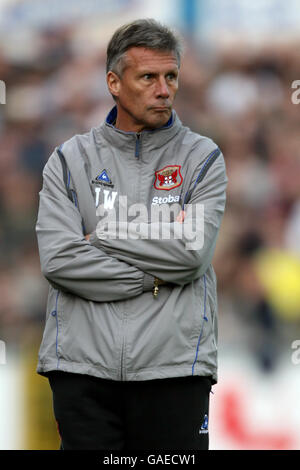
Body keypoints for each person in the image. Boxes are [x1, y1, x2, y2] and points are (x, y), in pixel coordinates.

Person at [35, 18, 227, 451]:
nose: (164, 90)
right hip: (82, 373)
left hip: (175, 371)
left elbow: (191, 255)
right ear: (114, 83)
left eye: (171, 76)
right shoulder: (69, 160)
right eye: (148, 77)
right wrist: (153, 277)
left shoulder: (203, 158)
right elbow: (60, 261)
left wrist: (103, 236)